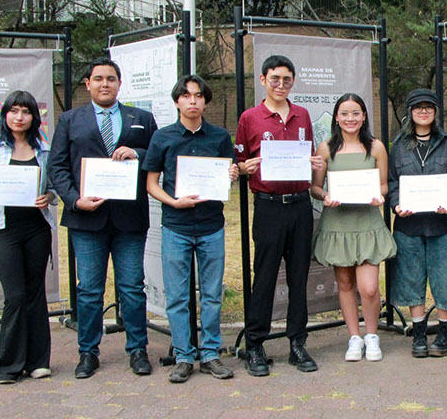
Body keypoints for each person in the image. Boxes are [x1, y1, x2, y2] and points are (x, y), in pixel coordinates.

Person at [48, 57, 158, 379]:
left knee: (132, 288)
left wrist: (137, 153)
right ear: (88, 84)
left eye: (111, 78)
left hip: (129, 219)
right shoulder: (70, 120)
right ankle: (88, 352)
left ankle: (137, 349)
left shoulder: (142, 118)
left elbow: (158, 156)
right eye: (98, 79)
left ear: (119, 83)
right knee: (89, 290)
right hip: (86, 220)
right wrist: (74, 200)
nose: (104, 84)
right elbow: (57, 166)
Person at [142, 75, 239, 383]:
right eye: (186, 96)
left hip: (211, 225)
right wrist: (173, 202)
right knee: (177, 296)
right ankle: (184, 356)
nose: (193, 101)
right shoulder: (163, 137)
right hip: (176, 226)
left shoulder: (219, 137)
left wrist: (232, 174)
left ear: (205, 101)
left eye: (198, 96)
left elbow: (227, 174)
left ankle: (210, 354)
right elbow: (151, 183)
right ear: (177, 101)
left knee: (211, 294)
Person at [233, 55, 324, 376]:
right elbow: (239, 161)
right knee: (265, 276)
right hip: (268, 206)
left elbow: (308, 153)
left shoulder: (302, 115)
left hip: (299, 205)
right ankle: (255, 345)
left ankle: (297, 343)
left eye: (286, 79)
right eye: (275, 79)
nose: (281, 85)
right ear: (263, 80)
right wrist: (245, 167)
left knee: (299, 276)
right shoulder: (250, 118)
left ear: (293, 81)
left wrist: (313, 163)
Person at [0, 90, 56, 383]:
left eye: (26, 112)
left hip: (36, 228)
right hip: (3, 229)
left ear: (34, 117)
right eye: (14, 111)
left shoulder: (44, 149)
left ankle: (38, 362)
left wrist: (48, 197)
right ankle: (8, 366)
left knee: (35, 294)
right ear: (5, 115)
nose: (19, 117)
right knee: (15, 296)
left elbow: (52, 188)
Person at [311, 93, 396, 362]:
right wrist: (325, 195)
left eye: (356, 113)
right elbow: (315, 187)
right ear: (336, 117)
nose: (350, 118)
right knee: (345, 284)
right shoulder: (326, 148)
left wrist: (379, 195)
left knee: (369, 287)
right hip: (338, 224)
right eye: (345, 113)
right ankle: (354, 337)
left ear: (364, 116)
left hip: (367, 222)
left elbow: (384, 185)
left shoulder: (376, 147)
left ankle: (372, 336)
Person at [387, 89, 447, 358]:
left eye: (428, 107)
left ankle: (444, 334)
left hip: (443, 224)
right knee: (411, 279)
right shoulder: (398, 145)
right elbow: (392, 181)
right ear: (410, 112)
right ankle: (418, 333)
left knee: (446, 278)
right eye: (418, 107)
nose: (423, 111)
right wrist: (396, 204)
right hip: (408, 225)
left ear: (435, 112)